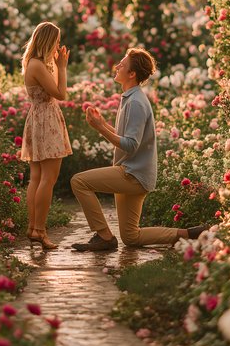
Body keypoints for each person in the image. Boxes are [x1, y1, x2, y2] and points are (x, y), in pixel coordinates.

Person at [70, 47, 206, 252]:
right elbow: (127, 137)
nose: (117, 66)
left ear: (132, 74)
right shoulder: (131, 98)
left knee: (78, 181)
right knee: (131, 237)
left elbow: (130, 145)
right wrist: (102, 124)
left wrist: (99, 128)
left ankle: (103, 236)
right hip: (136, 173)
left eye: (122, 65)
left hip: (132, 175)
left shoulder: (135, 102)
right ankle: (188, 234)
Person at [21, 22, 72, 250]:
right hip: (46, 121)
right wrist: (62, 67)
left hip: (38, 119)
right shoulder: (38, 66)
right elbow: (60, 94)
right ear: (48, 41)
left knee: (37, 177)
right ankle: (40, 230)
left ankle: (33, 228)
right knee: (47, 179)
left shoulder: (33, 62)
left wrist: (54, 61)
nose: (59, 46)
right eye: (57, 42)